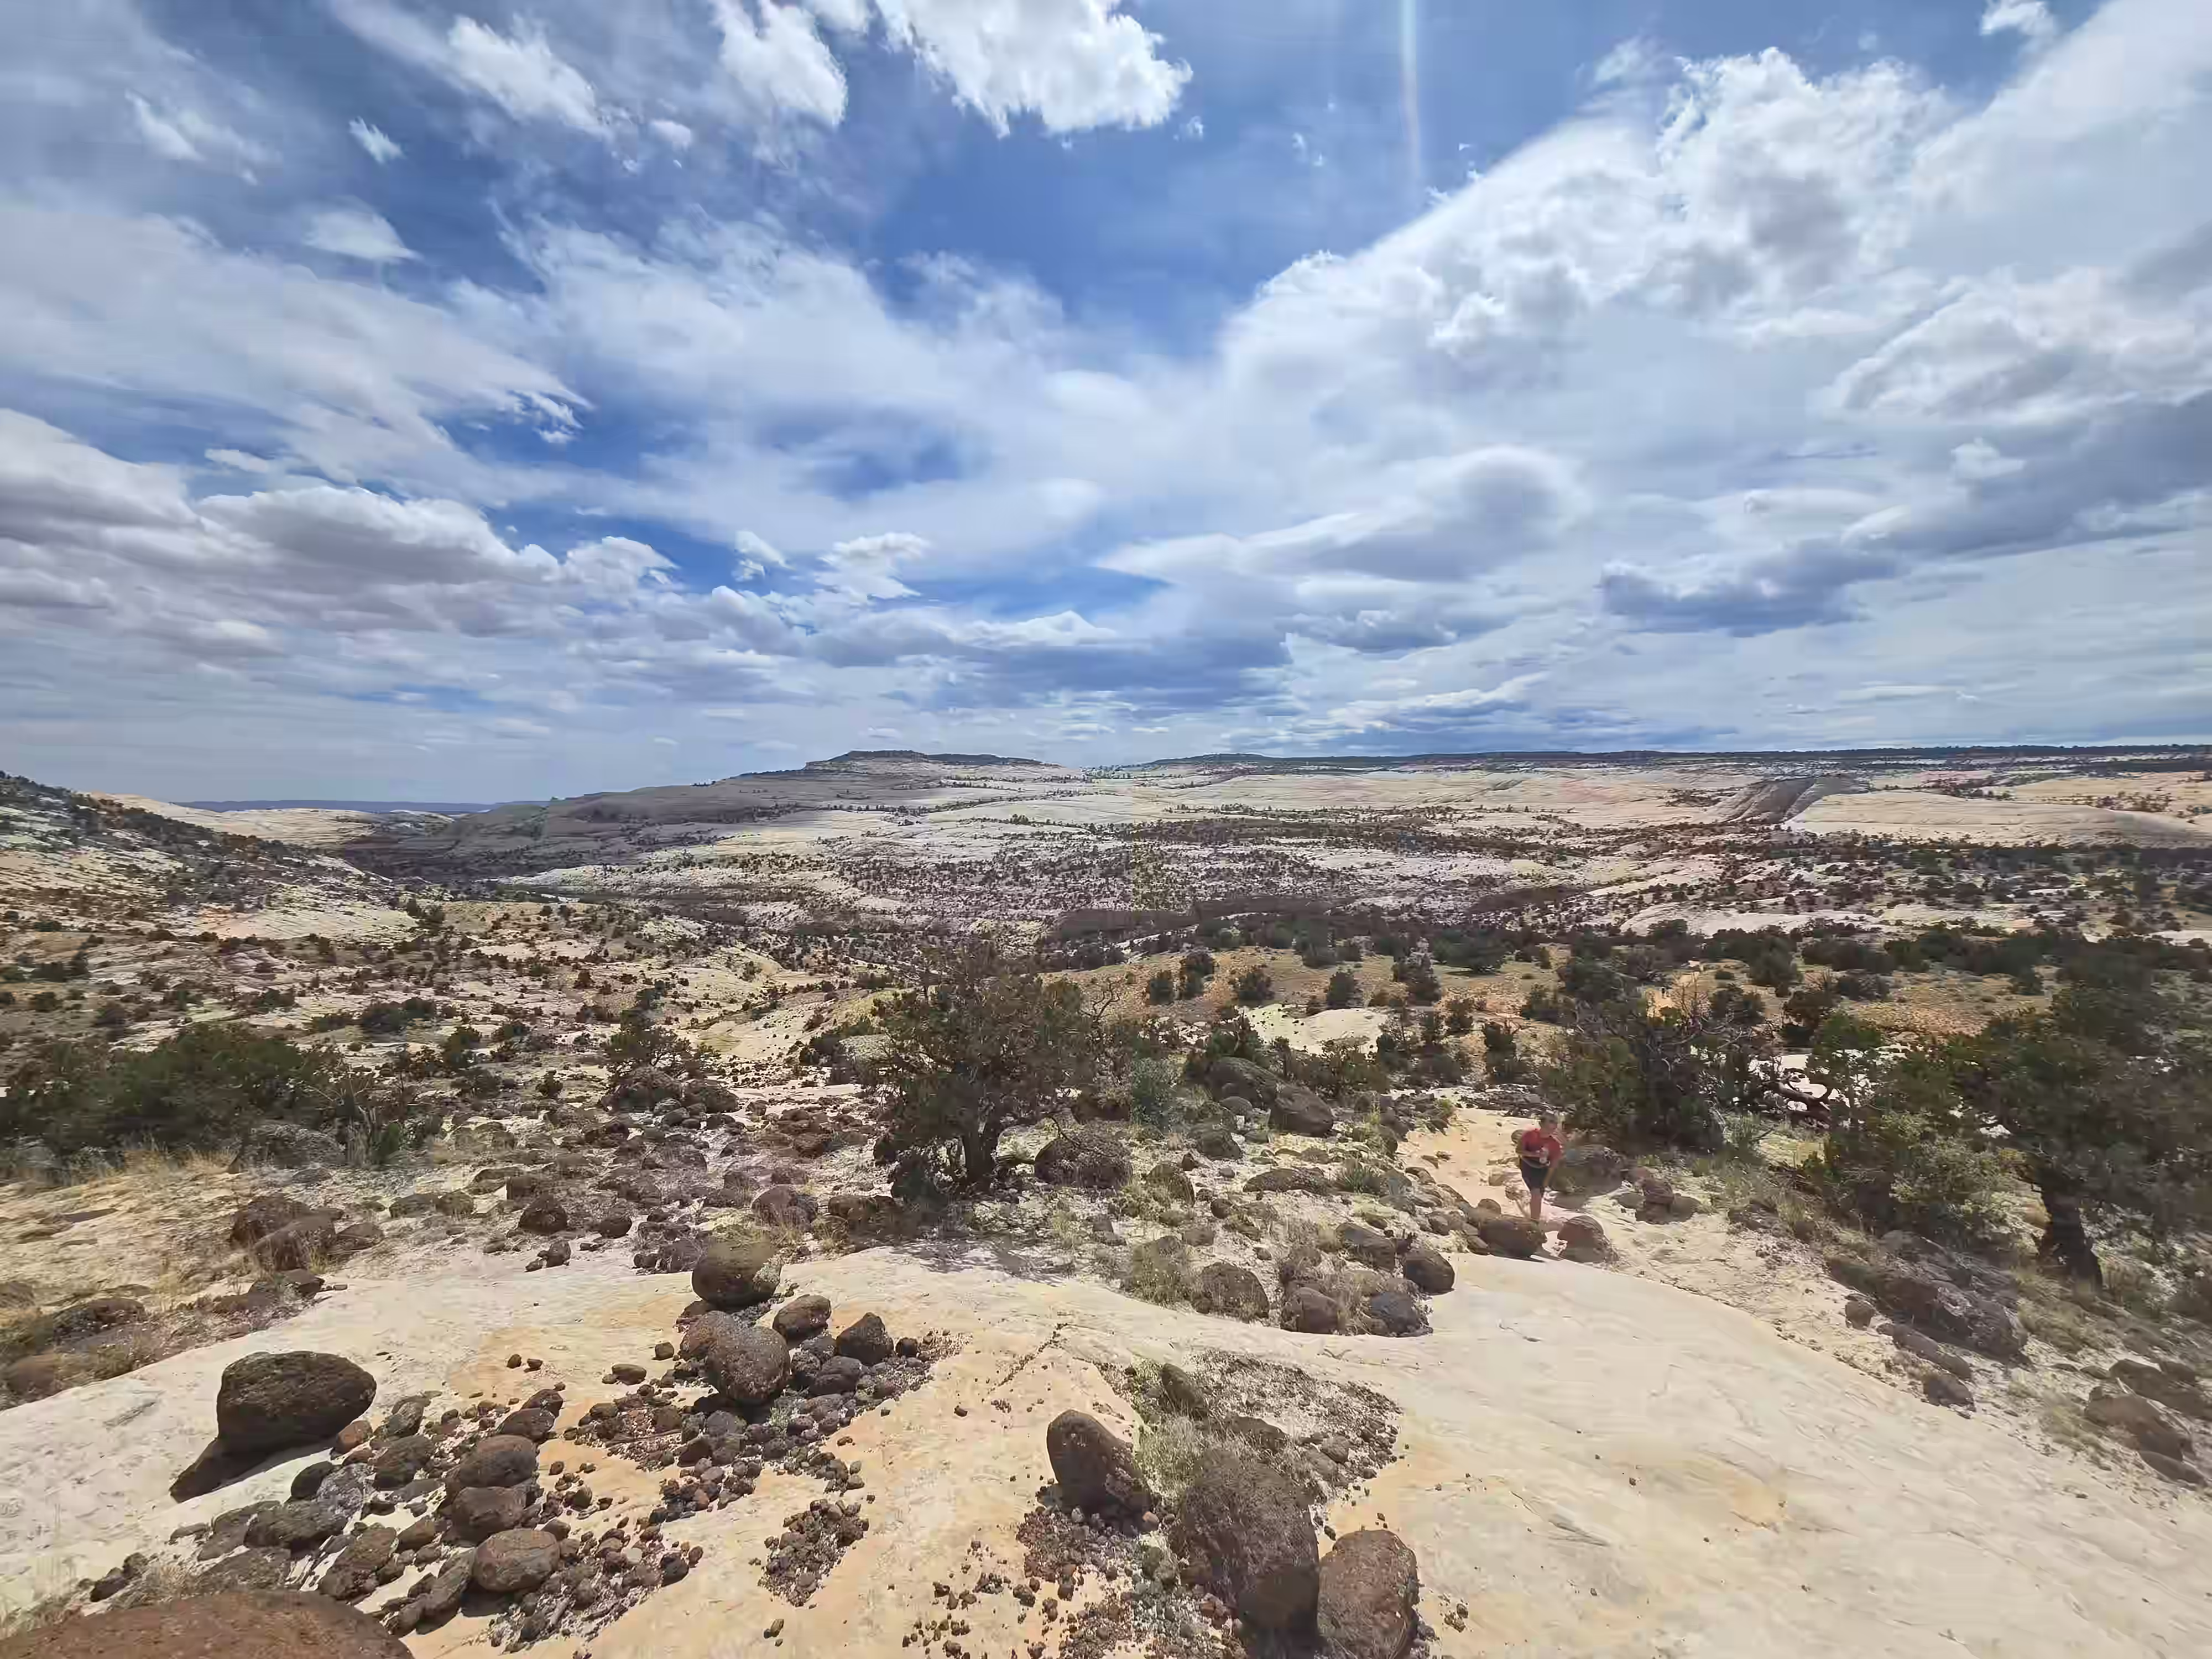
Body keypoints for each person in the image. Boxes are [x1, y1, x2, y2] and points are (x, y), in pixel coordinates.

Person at [1516, 1112, 1563, 1224]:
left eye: (1555, 1123)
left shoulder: (1555, 1145)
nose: (1554, 1125)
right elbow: (1519, 1151)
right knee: (1536, 1193)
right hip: (1527, 1165)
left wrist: (1547, 1180)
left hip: (1542, 1169)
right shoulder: (1529, 1135)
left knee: (1538, 1195)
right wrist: (1535, 1155)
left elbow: (1554, 1164)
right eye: (1551, 1122)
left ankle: (1532, 1217)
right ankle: (1534, 1223)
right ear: (1542, 1123)